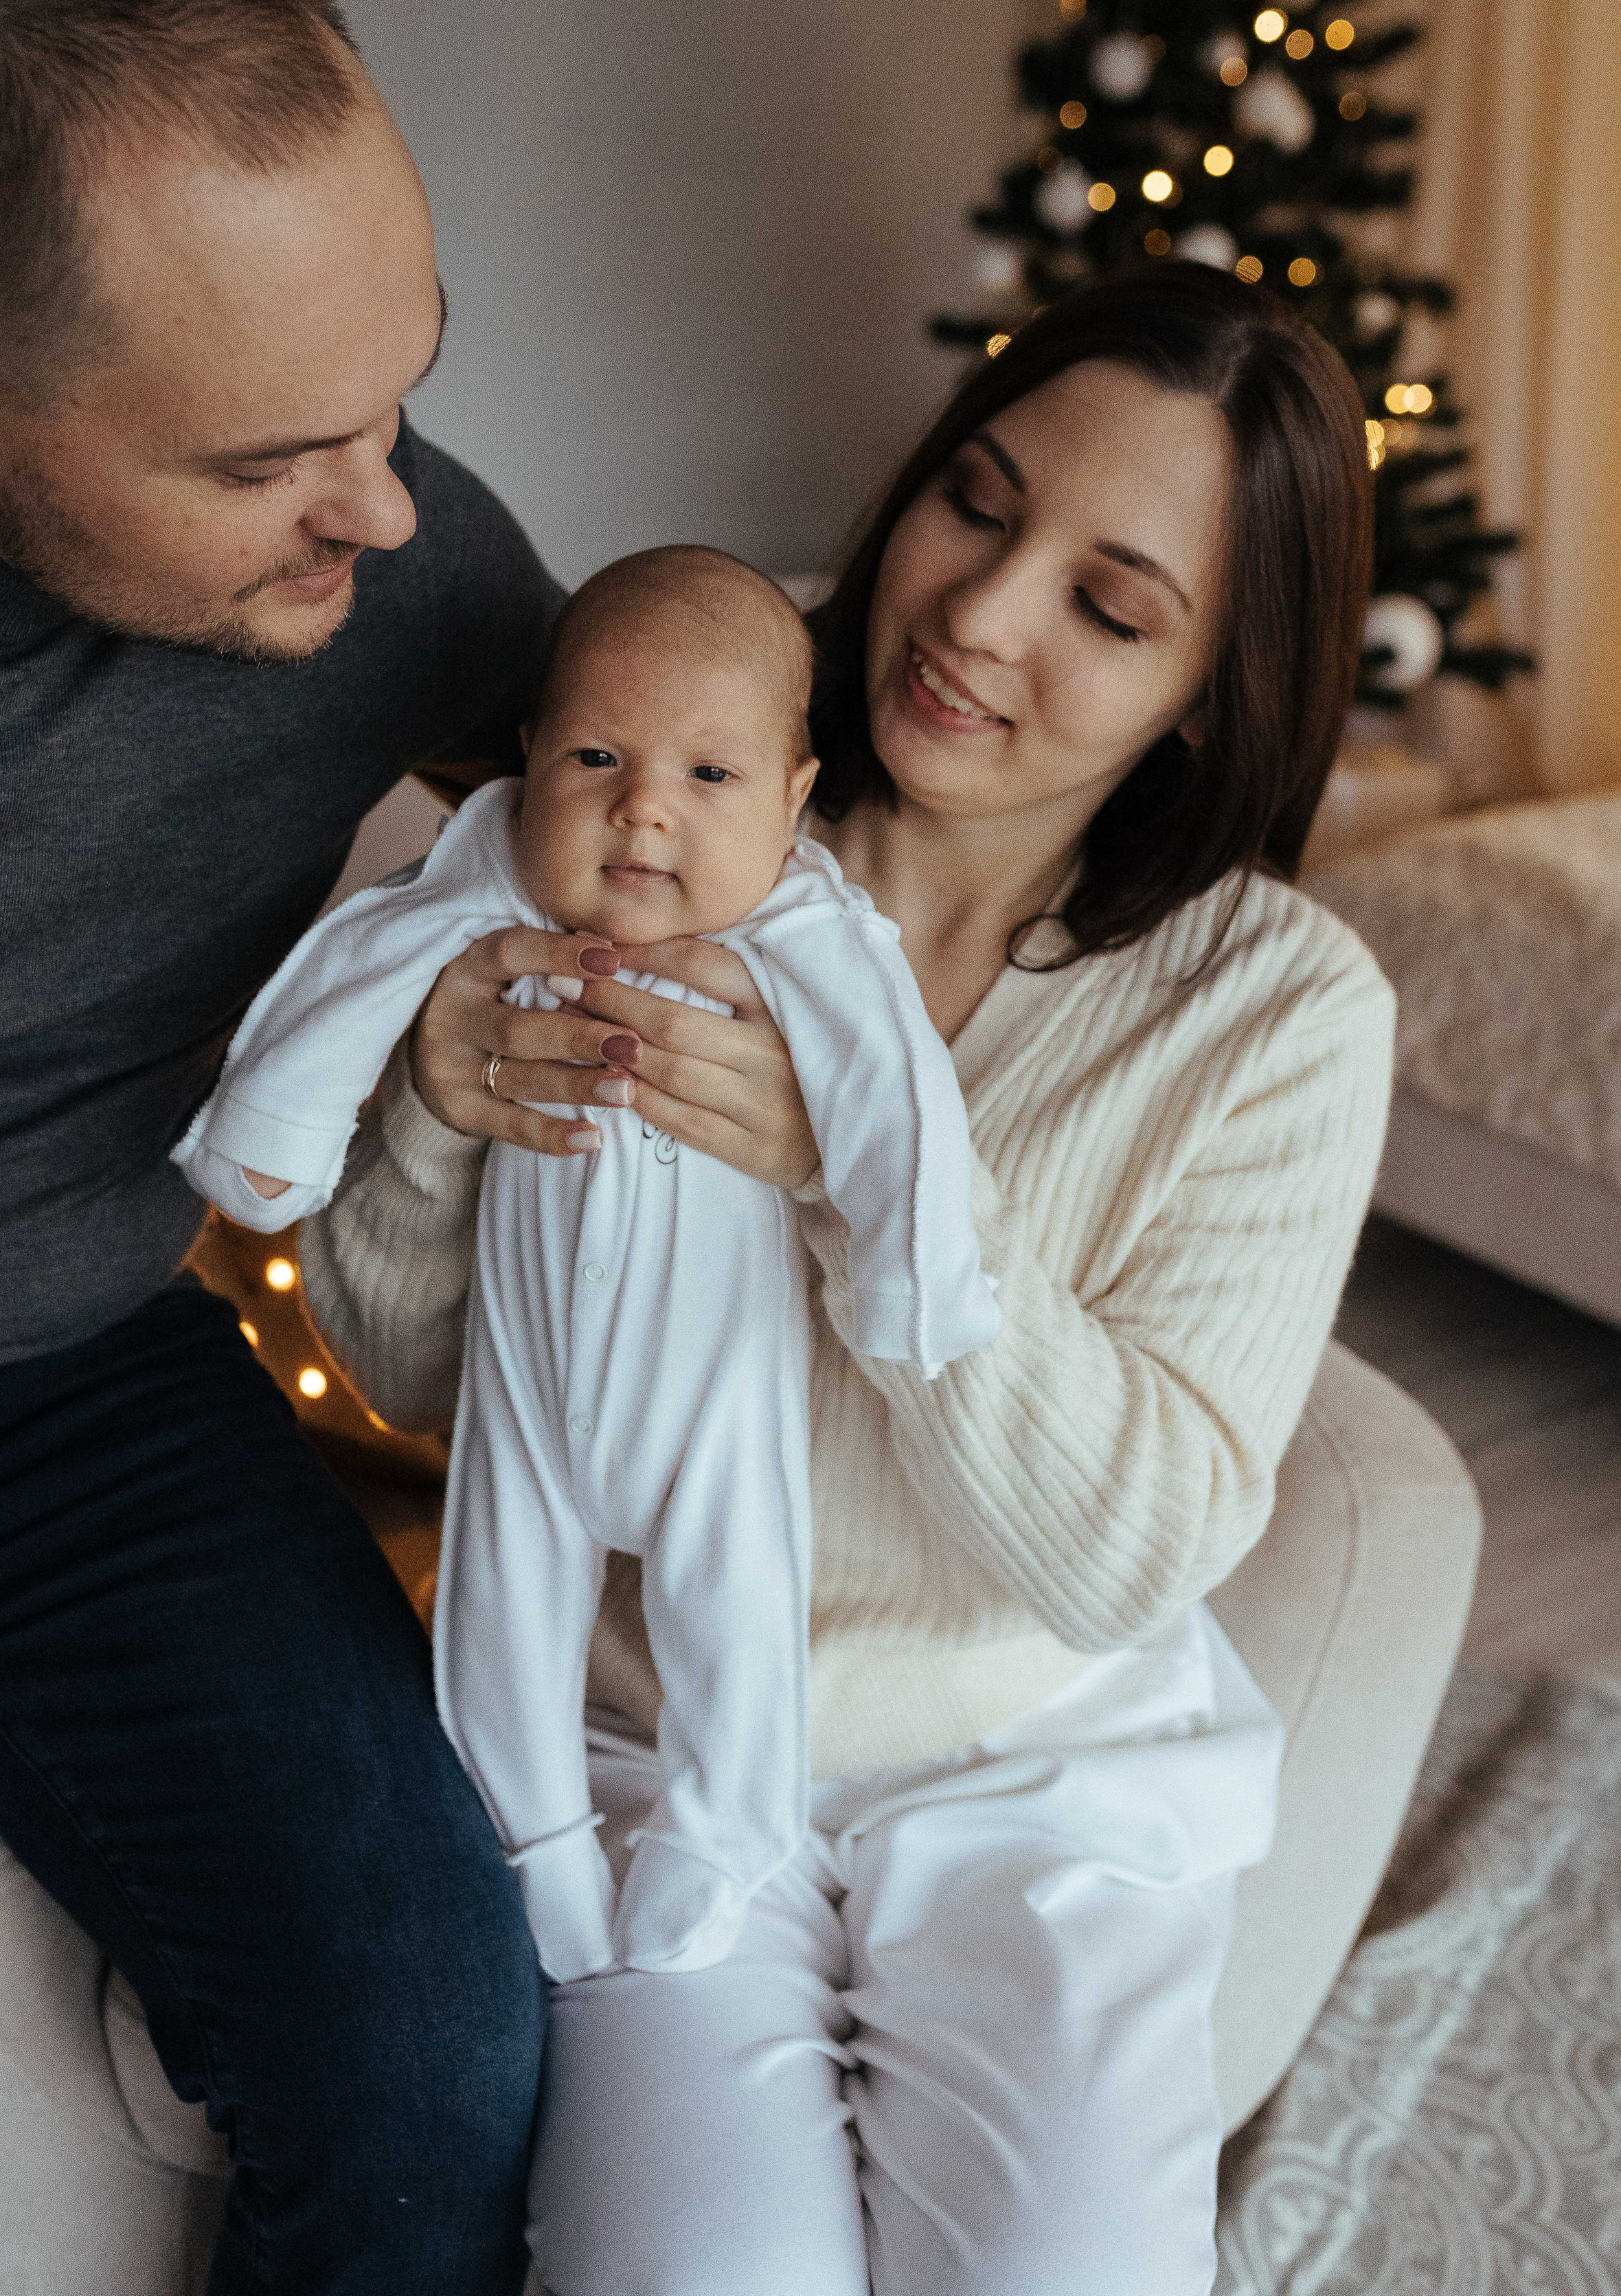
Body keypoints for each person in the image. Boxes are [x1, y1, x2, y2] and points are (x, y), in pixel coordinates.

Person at [298, 264, 1397, 2295]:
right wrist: (438, 1117)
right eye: (978, 504)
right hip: (645, 1752)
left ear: (1215, 684)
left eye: (1110, 604)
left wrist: (863, 1178)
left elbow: (1126, 1549)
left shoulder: (1278, 1010)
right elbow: (416, 1373)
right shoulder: (669, 817)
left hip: (1034, 1780)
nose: (980, 613)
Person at [0, 0, 563, 2293]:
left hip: (82, 1393)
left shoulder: (405, 566)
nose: (378, 510)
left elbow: (728, 793)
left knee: (440, 2064)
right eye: (269, 457)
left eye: (406, 392)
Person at [172, 546, 997, 1987]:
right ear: (531, 762)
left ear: (796, 801)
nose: (643, 807)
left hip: (712, 1397)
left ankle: (723, 1831)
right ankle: (531, 1839)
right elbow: (357, 960)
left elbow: (894, 1094)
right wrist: (267, 1141)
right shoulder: (487, 872)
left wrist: (913, 1282)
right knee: (496, 1608)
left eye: (711, 776)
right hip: (525, 1383)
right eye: (598, 756)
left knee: (738, 1609)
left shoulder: (804, 930)